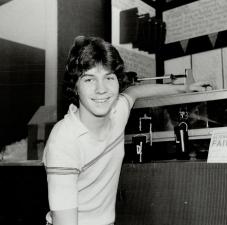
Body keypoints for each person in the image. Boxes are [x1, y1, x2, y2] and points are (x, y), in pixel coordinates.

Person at [42, 36, 209, 225]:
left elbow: (134, 92)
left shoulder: (116, 111)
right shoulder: (64, 140)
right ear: (75, 86)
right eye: (89, 79)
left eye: (109, 77)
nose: (101, 89)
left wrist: (183, 88)